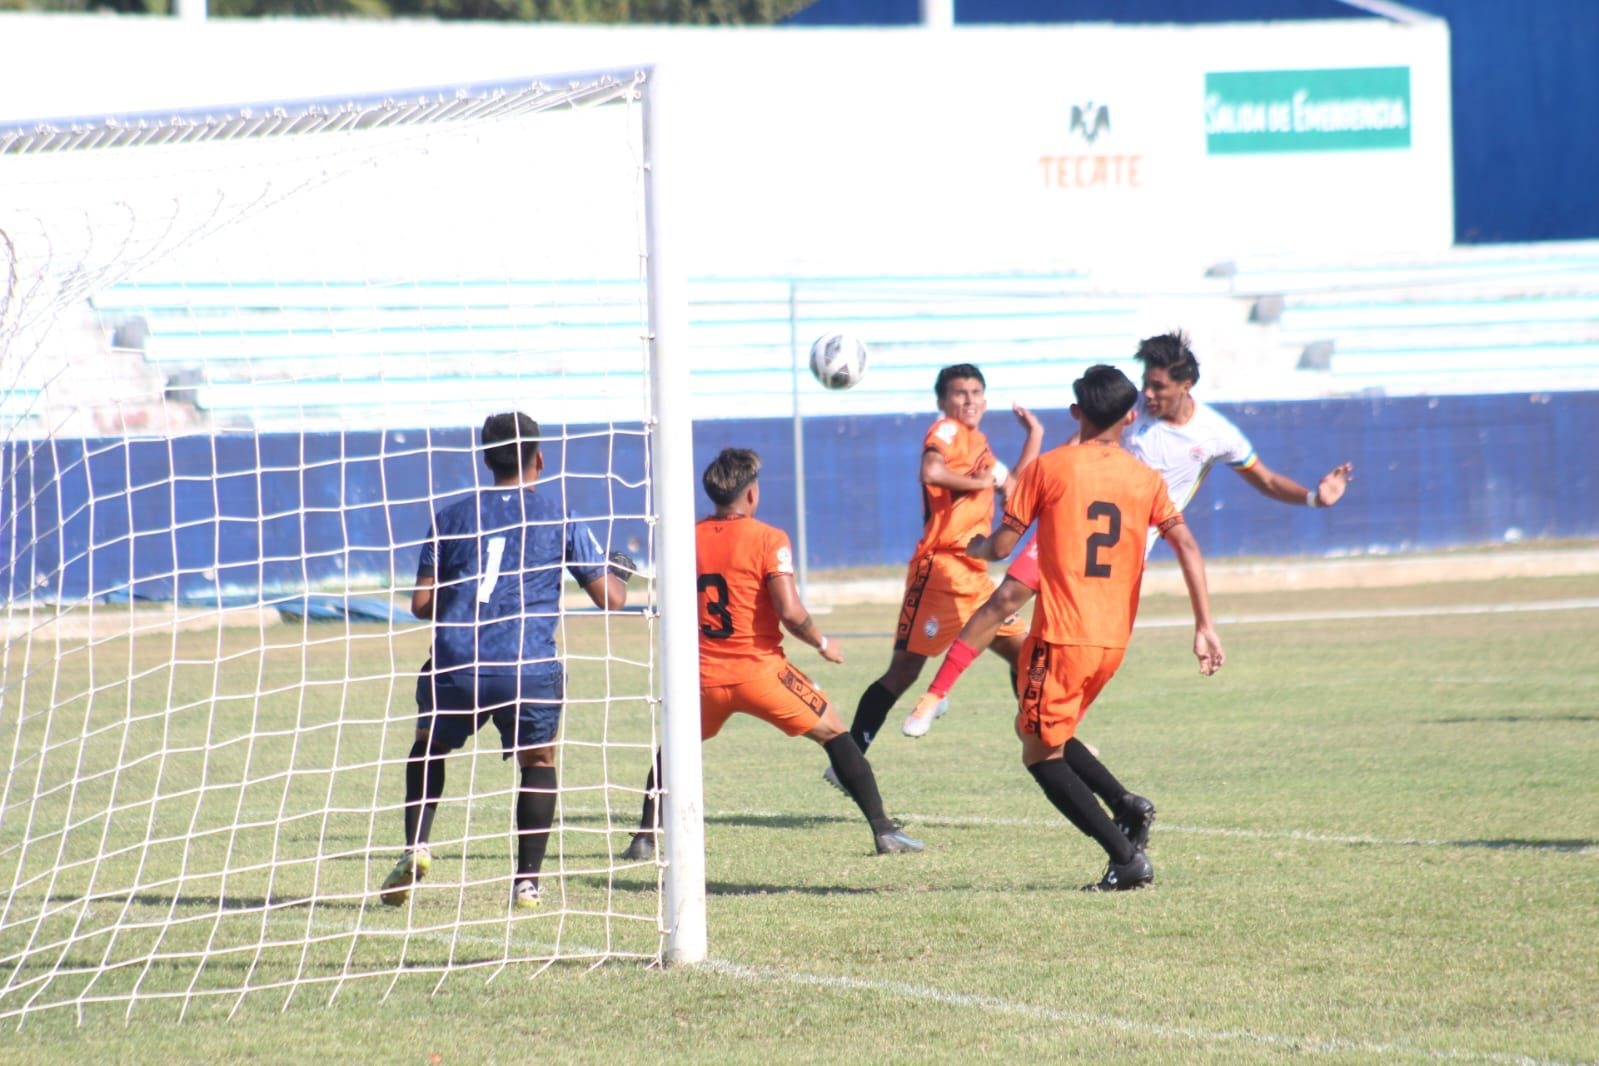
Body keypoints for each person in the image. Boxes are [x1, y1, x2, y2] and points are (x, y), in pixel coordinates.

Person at [902, 331, 1353, 842]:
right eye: (1144, 385)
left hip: (1110, 560)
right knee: (1010, 607)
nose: (1149, 394)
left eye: (1158, 385)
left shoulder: (1215, 434)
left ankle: (1121, 838)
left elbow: (1265, 483)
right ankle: (936, 696)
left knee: (1039, 719)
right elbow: (1088, 448)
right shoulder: (1124, 415)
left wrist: (1316, 498)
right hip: (1074, 532)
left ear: (1186, 384)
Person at [920, 365, 1223, 891]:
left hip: (1063, 636)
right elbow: (1188, 546)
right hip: (1112, 642)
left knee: (1038, 752)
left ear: (1076, 413)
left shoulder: (1050, 469)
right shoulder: (1145, 479)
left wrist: (970, 547)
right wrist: (1204, 626)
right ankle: (1128, 805)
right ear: (1130, 417)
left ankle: (1124, 856)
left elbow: (1000, 547)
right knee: (1040, 730)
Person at [380, 411, 632, 911]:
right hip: (527, 669)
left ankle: (417, 846)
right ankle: (527, 883)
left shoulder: (449, 517)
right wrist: (618, 570)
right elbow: (612, 600)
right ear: (540, 458)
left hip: (458, 665)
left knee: (429, 747)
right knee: (539, 760)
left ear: (485, 459)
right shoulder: (560, 516)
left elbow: (420, 605)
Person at [621, 447, 922, 861]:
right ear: (750, 494)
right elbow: (791, 612)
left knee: (672, 748)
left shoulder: (686, 537)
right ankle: (884, 831)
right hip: (759, 672)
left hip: (703, 676)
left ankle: (643, 837)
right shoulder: (768, 538)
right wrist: (822, 642)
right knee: (835, 732)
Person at [835, 363, 1044, 779]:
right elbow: (932, 471)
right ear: (943, 401)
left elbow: (1012, 488)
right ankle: (848, 760)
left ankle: (1046, 740)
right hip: (941, 571)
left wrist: (1034, 437)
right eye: (959, 393)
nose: (969, 400)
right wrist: (982, 483)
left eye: (976, 392)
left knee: (1025, 656)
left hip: (973, 573)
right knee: (904, 671)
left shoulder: (979, 441)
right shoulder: (947, 432)